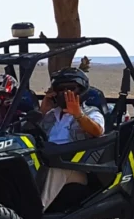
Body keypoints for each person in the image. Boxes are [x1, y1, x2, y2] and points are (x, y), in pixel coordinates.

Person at [37, 67, 104, 211]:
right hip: (46, 160)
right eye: (61, 89)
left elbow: (97, 131)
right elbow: (28, 131)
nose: (66, 93)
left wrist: (77, 114)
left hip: (74, 167)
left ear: (81, 91)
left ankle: (34, 215)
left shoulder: (91, 113)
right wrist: (42, 110)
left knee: (56, 169)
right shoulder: (50, 115)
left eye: (71, 89)